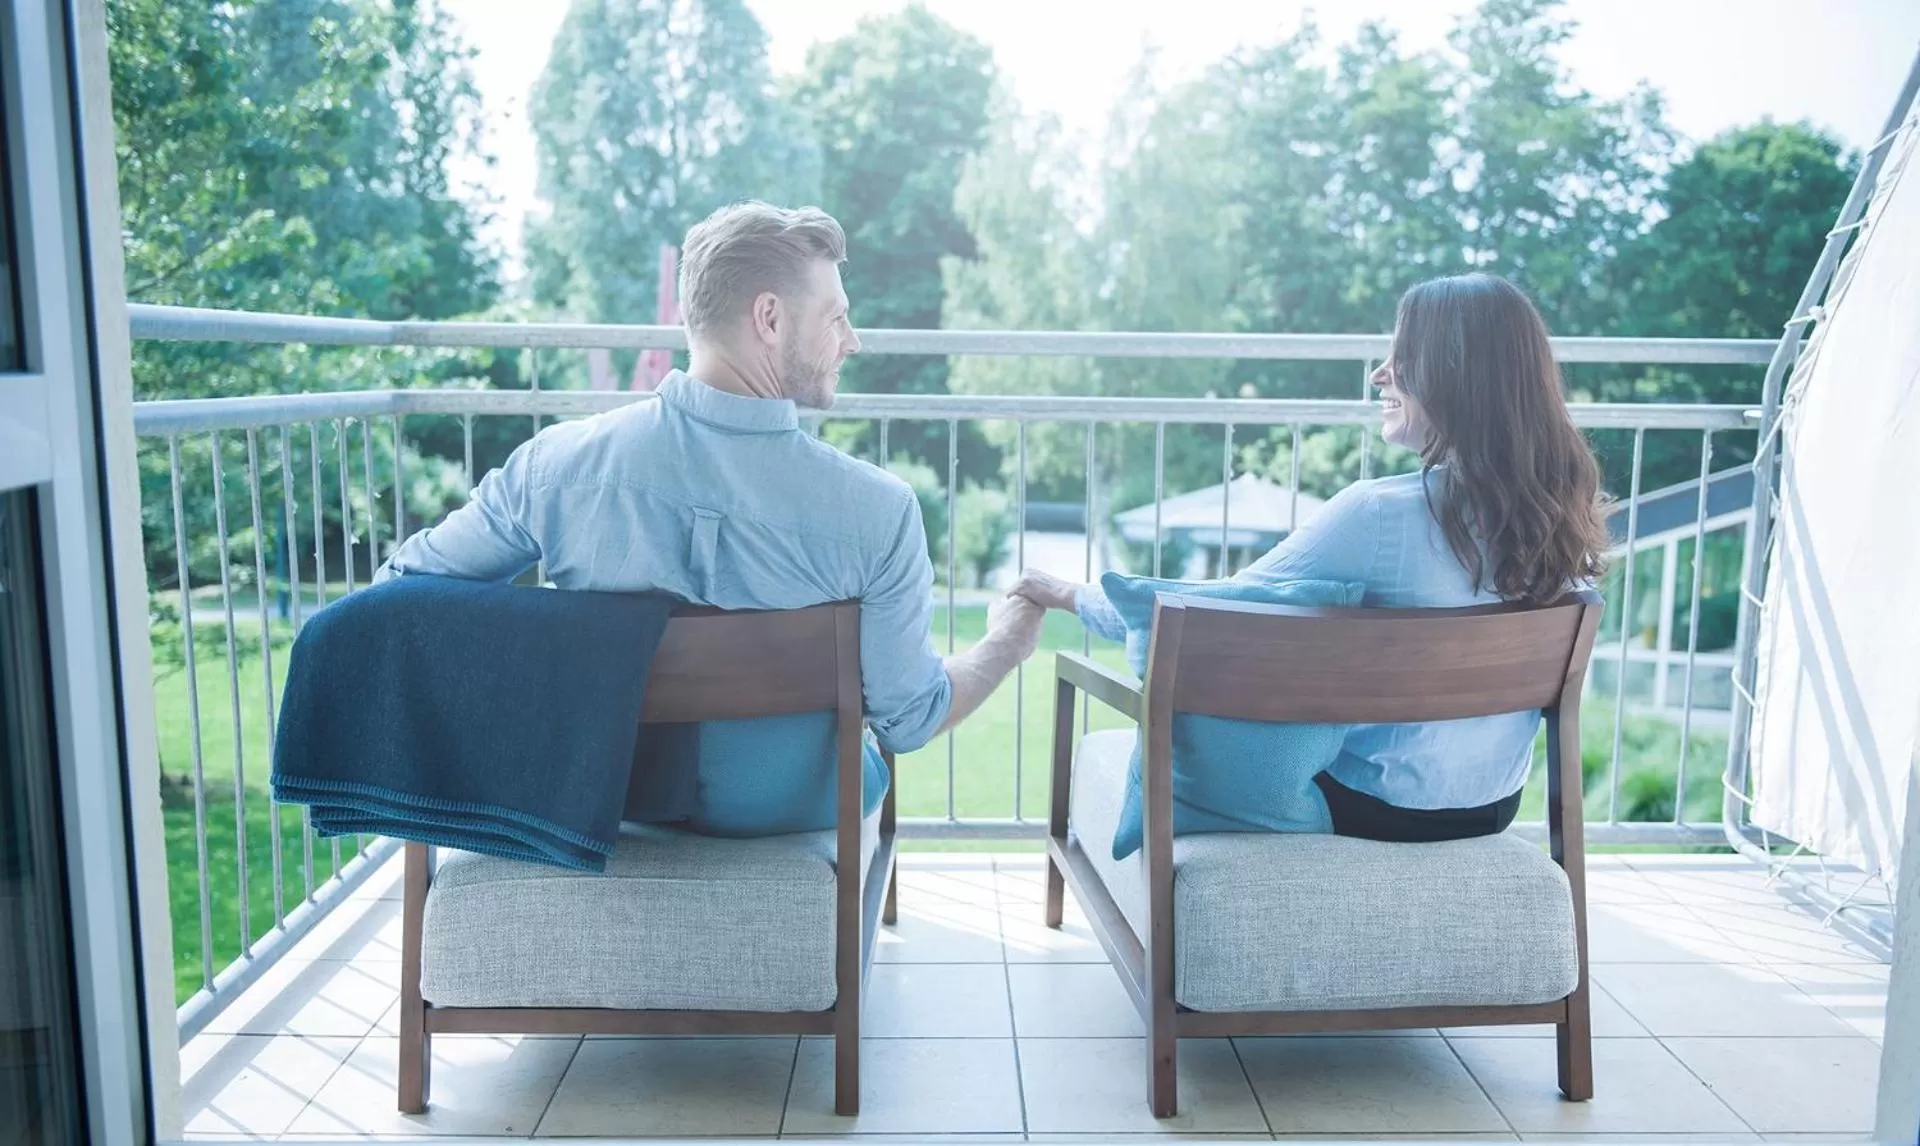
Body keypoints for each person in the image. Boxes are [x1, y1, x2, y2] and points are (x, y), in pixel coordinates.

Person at [376, 201, 1045, 833]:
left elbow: (403, 590)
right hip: (790, 807)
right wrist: (1007, 643)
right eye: (836, 318)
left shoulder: (554, 469)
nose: (854, 341)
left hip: (607, 798)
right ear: (770, 318)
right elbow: (910, 720)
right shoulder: (880, 513)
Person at [1012, 272, 1609, 843]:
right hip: (1491, 807)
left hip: (1372, 807)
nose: (1379, 375)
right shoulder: (1563, 517)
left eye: (1401, 359)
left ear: (1453, 377)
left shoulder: (1379, 515)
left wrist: (1068, 595)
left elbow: (1202, 617)